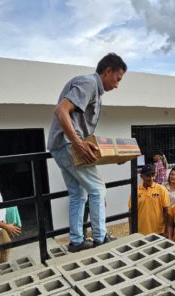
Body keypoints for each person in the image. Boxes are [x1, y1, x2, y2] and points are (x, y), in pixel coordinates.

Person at [47, 53, 127, 253]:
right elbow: (61, 110)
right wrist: (78, 143)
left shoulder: (94, 90)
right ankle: (100, 238)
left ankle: (76, 241)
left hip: (60, 146)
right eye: (117, 79)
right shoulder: (89, 83)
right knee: (98, 189)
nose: (117, 85)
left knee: (77, 193)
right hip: (68, 145)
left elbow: (83, 130)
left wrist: (114, 155)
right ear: (107, 71)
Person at [129, 164, 170, 235]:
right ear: (141, 176)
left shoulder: (161, 189)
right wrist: (131, 230)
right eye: (148, 175)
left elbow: (166, 211)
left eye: (153, 175)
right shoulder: (136, 191)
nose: (151, 178)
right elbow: (131, 212)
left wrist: (166, 230)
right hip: (140, 232)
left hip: (158, 232)